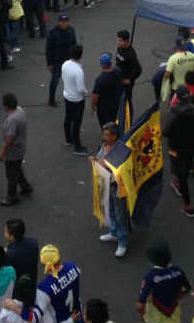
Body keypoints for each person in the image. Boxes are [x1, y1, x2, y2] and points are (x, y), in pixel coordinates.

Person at [1, 244, 82, 323]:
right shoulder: (73, 267)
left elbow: (33, 318)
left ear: (44, 264)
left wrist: (13, 306)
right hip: (78, 316)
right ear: (58, 257)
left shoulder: (44, 289)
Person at [163, 86, 194, 218]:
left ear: (177, 98)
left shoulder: (173, 113)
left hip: (176, 148)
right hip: (191, 146)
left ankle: (188, 206)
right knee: (186, 162)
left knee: (181, 173)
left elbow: (166, 132)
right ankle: (186, 172)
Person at [91, 123, 130, 257]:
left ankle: (123, 242)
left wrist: (102, 163)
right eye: (104, 134)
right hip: (106, 184)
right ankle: (114, 233)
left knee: (121, 215)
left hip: (117, 187)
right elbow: (101, 160)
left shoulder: (121, 150)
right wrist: (95, 159)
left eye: (107, 135)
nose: (104, 137)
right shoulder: (104, 146)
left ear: (114, 136)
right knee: (111, 210)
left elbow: (118, 169)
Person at [136, 238, 190, 322]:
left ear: (152, 260)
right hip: (173, 310)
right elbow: (187, 288)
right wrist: (176, 298)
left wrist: (142, 318)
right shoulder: (178, 271)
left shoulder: (150, 277)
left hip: (155, 314)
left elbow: (140, 306)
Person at [0, 93, 33, 206]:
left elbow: (9, 139)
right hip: (21, 149)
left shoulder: (12, 120)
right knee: (17, 169)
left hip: (13, 152)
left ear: (6, 106)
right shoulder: (20, 111)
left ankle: (12, 197)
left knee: (11, 174)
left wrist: (3, 153)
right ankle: (26, 187)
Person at [61, 44, 90, 156]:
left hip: (67, 96)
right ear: (80, 55)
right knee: (77, 123)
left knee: (68, 118)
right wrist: (87, 93)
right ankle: (77, 147)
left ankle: (68, 139)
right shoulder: (79, 71)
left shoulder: (65, 64)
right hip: (77, 100)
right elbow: (81, 89)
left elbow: (63, 78)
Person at [45, 13, 77, 108]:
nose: (64, 24)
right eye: (62, 22)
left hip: (69, 60)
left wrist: (75, 58)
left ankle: (71, 97)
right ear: (58, 22)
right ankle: (51, 100)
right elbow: (48, 49)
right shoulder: (53, 33)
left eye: (66, 21)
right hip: (57, 61)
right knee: (54, 81)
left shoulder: (71, 30)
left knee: (70, 80)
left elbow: (74, 44)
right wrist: (49, 64)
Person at [91, 54, 124, 130]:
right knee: (115, 121)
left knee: (105, 126)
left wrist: (92, 106)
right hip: (117, 104)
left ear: (101, 65)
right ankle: (116, 134)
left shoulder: (100, 80)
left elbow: (95, 96)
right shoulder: (118, 71)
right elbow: (122, 82)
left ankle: (108, 139)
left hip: (104, 109)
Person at [115, 30, 142, 121]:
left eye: (120, 40)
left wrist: (129, 80)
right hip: (119, 80)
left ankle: (129, 121)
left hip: (126, 83)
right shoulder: (120, 48)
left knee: (127, 101)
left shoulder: (131, 54)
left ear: (126, 41)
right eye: (118, 40)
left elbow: (138, 70)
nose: (118, 42)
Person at [4, 218, 39, 283]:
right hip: (32, 280)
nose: (4, 234)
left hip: (18, 285)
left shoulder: (10, 255)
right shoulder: (34, 243)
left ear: (12, 236)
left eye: (6, 232)